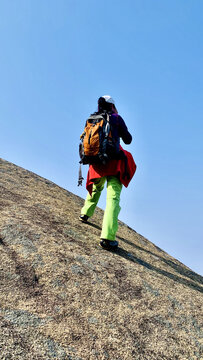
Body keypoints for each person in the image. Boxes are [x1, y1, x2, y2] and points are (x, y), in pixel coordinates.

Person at [79, 95, 136, 250]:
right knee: (113, 198)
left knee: (96, 188)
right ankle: (107, 237)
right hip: (113, 163)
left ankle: (85, 213)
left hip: (96, 164)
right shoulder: (116, 118)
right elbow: (128, 140)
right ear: (112, 106)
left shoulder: (91, 119)